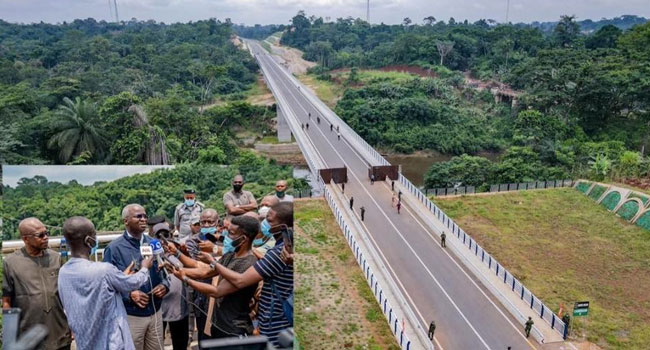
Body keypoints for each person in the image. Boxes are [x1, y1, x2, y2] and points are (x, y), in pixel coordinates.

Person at [191, 202, 293, 347]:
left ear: (283, 226)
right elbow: (204, 271)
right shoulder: (235, 254)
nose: (263, 224)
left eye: (269, 221)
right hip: (266, 322)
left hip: (275, 325)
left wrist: (188, 277)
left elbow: (235, 283)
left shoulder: (276, 254)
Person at [58, 216, 154, 350]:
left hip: (86, 342)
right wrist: (144, 268)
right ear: (88, 240)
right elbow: (133, 283)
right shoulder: (104, 270)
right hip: (111, 343)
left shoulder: (64, 272)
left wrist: (120, 277)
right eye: (94, 235)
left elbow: (99, 288)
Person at [172, 215, 260, 339]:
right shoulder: (231, 255)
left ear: (243, 239)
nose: (226, 236)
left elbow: (217, 291)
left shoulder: (247, 263)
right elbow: (206, 272)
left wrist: (186, 279)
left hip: (233, 329)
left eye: (231, 233)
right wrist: (176, 270)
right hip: (219, 324)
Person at [103, 204, 169, 350]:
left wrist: (164, 286)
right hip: (131, 316)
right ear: (126, 221)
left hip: (156, 313)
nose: (143, 219)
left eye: (145, 216)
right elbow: (105, 286)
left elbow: (165, 273)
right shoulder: (113, 249)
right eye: (138, 216)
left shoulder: (153, 243)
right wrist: (129, 294)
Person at [2, 217, 72, 350]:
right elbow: (6, 300)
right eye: (40, 235)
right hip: (28, 338)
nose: (46, 237)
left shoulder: (56, 258)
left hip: (60, 334)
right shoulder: (11, 263)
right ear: (25, 239)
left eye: (47, 233)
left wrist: (73, 326)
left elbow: (67, 296)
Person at [151, 223, 189, 350]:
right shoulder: (148, 258)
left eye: (165, 235)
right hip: (157, 310)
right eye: (158, 236)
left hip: (178, 309)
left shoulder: (179, 254)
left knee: (180, 344)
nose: (162, 239)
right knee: (156, 344)